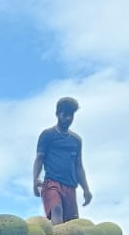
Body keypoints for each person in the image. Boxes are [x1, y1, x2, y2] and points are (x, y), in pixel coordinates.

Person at [33, 96, 92, 224]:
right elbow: (39, 158)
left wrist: (86, 189)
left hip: (70, 186)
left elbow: (78, 166)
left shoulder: (76, 140)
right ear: (57, 114)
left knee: (71, 223)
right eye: (65, 115)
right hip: (52, 183)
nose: (68, 118)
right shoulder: (48, 135)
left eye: (71, 115)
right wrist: (35, 180)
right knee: (57, 209)